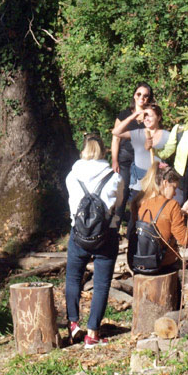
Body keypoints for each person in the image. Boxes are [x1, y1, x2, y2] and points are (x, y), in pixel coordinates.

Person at [65, 134, 121, 349]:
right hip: (105, 236)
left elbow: (71, 205)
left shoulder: (72, 176)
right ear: (104, 152)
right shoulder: (114, 177)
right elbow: (119, 204)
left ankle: (72, 323)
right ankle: (92, 334)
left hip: (78, 235)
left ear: (83, 151)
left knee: (73, 278)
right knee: (101, 284)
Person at [130, 163, 188, 272]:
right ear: (165, 183)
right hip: (163, 263)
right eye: (174, 188)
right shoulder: (172, 205)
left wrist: (182, 211)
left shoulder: (142, 202)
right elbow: (184, 240)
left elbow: (158, 220)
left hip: (140, 260)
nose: (174, 194)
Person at [111, 83, 153, 219]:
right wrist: (114, 160)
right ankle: (114, 229)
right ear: (134, 95)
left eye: (146, 96)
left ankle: (135, 233)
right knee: (121, 195)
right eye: (139, 94)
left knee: (140, 197)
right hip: (125, 160)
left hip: (142, 161)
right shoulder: (124, 114)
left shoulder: (150, 115)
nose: (142, 98)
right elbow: (115, 138)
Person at [111, 104, 168, 191]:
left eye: (150, 116)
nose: (147, 119)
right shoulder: (137, 133)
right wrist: (131, 117)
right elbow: (116, 132)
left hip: (158, 182)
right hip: (140, 184)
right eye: (145, 116)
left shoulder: (167, 135)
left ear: (159, 117)